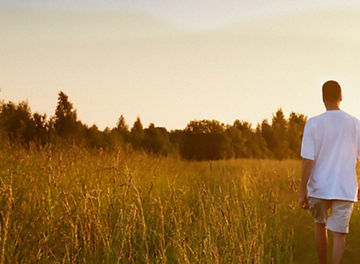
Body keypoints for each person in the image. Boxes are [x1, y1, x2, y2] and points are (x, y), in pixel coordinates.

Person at [299, 80, 360, 264]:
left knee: (320, 225)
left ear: (323, 98)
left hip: (319, 187)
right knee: (339, 234)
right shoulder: (355, 124)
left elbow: (308, 160)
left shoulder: (313, 123)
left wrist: (302, 191)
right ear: (341, 97)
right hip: (345, 187)